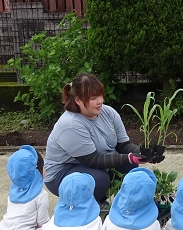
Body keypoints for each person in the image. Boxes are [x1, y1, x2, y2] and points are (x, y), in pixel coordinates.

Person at [43, 72, 146, 204]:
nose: (100, 101)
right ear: (78, 101)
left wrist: (143, 152)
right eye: (93, 98)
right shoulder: (70, 123)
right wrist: (130, 157)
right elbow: (92, 160)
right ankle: (87, 206)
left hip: (89, 166)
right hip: (62, 173)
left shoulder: (108, 112)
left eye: (100, 95)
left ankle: (126, 204)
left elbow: (123, 145)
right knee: (100, 179)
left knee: (130, 166)